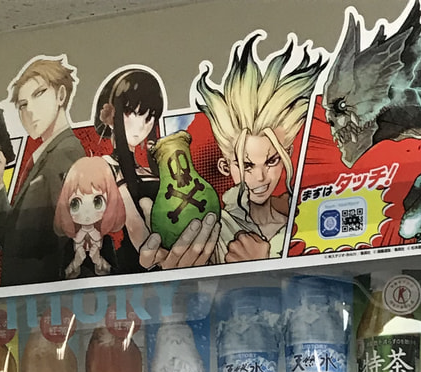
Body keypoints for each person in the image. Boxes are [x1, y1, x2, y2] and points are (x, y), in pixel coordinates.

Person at [195, 35, 327, 263]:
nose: (260, 177)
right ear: (225, 166)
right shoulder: (213, 230)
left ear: (287, 155)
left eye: (271, 161)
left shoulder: (303, 223)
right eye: (246, 165)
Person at [0, 56, 85, 286]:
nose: (30, 111)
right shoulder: (47, 157)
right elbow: (18, 240)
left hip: (43, 297)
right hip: (32, 296)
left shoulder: (65, 155)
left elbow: (36, 245)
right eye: (22, 105)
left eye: (39, 94)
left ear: (60, 95)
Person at [92, 67, 163, 259]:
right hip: (136, 261)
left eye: (150, 116)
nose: (143, 124)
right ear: (110, 115)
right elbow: (134, 227)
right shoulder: (105, 167)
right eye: (133, 112)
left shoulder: (150, 170)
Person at [54, 157, 125, 278]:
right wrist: (75, 263)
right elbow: (60, 279)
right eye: (75, 203)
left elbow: (117, 276)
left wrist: (99, 261)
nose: (87, 212)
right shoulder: (68, 243)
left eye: (97, 202)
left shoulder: (108, 241)